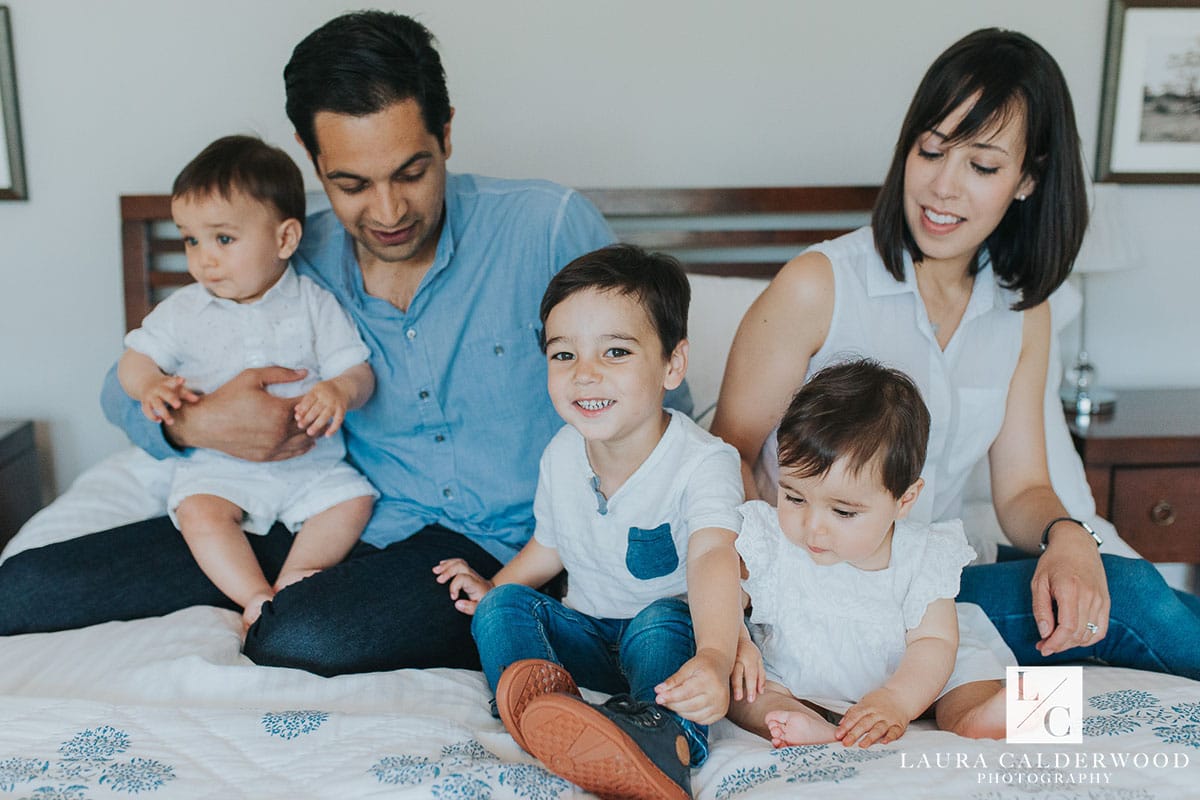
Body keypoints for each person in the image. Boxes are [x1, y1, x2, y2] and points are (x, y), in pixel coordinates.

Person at [0, 11, 690, 676]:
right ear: (310, 157)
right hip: (316, 506)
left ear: (446, 134)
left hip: (488, 543)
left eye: (411, 173)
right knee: (24, 587)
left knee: (301, 634)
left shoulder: (546, 228)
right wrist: (196, 422)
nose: (387, 212)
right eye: (352, 184)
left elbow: (663, 403)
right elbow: (116, 388)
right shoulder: (289, 251)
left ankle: (521, 618)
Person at [710, 28, 1200, 679]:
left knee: (1122, 600)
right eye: (931, 151)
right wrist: (753, 596)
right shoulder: (818, 286)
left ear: (1028, 178)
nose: (942, 187)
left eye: (983, 166)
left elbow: (1023, 487)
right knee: (1130, 609)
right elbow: (725, 459)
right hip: (805, 586)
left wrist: (1069, 536)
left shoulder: (1022, 310)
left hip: (934, 591)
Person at [433, 245, 742, 800]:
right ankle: (542, 713)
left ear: (673, 364)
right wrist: (494, 589)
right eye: (563, 356)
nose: (585, 375)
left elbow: (712, 555)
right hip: (589, 639)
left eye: (616, 352)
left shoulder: (704, 461)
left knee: (659, 620)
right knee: (503, 608)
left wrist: (717, 656)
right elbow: (550, 546)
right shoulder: (561, 453)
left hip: (667, 645)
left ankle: (664, 736)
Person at [117, 135, 378, 631]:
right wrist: (150, 385)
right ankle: (254, 595)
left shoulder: (313, 303)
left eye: (223, 239)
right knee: (197, 512)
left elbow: (357, 370)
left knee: (353, 501)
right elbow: (132, 363)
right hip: (221, 467)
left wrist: (341, 390)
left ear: (284, 239)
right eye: (190, 239)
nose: (203, 260)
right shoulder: (184, 310)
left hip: (312, 464)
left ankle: (300, 571)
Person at [729, 359, 1010, 750]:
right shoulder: (769, 539)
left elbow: (934, 644)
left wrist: (897, 699)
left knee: (964, 679)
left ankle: (986, 717)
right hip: (798, 677)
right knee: (744, 689)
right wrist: (735, 638)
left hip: (913, 678)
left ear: (904, 500)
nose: (813, 526)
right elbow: (725, 592)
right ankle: (805, 723)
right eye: (793, 496)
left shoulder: (921, 556)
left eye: (843, 512)